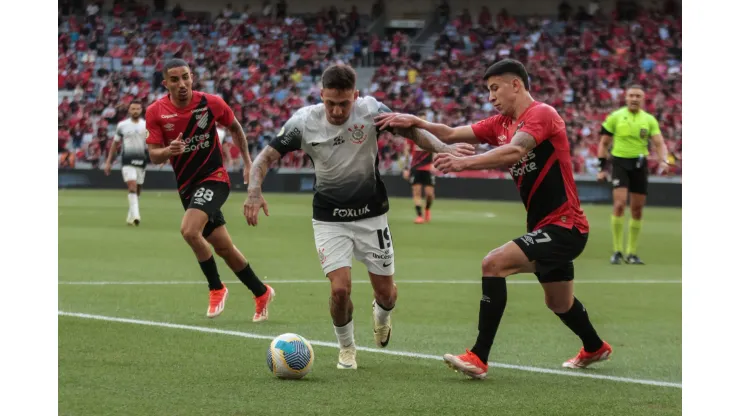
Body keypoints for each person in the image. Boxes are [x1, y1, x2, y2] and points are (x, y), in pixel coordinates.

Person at [375, 59, 612, 379]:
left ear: (516, 85)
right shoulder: (500, 123)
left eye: (495, 88)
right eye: (488, 90)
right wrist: (416, 121)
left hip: (566, 225)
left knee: (493, 263)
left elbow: (514, 153)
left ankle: (478, 356)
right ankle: (595, 346)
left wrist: (464, 164)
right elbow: (451, 132)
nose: (491, 96)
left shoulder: (541, 114)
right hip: (545, 227)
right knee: (559, 302)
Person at [245, 64, 474, 370]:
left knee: (387, 295)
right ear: (321, 96)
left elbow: (411, 131)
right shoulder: (303, 122)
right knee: (340, 289)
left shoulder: (371, 111)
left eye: (344, 103)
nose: (337, 111)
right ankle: (347, 348)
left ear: (355, 96)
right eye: (330, 103)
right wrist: (253, 191)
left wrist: (444, 147)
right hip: (329, 219)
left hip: (372, 216)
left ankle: (382, 314)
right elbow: (264, 157)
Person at [145, 58, 274, 321]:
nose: (182, 84)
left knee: (189, 231)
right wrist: (169, 151)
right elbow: (154, 156)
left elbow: (235, 127)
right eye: (175, 79)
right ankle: (261, 292)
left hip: (214, 179)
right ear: (165, 83)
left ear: (192, 77)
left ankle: (216, 287)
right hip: (187, 188)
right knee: (224, 247)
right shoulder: (156, 112)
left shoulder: (211, 103)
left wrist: (249, 163)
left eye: (185, 77)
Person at [597, 85, 670, 265]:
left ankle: (632, 252)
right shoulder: (615, 117)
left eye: (638, 95)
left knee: (637, 209)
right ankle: (617, 250)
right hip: (620, 163)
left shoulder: (649, 119)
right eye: (631, 95)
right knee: (620, 204)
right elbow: (604, 143)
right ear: (626, 97)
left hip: (639, 165)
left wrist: (664, 160)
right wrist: (601, 168)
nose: (634, 98)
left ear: (643, 99)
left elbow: (659, 143)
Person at [105, 101, 148, 225]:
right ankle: (136, 216)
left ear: (141, 110)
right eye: (133, 108)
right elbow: (115, 144)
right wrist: (109, 162)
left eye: (137, 108)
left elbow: (152, 142)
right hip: (127, 160)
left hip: (141, 160)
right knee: (132, 186)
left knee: (138, 189)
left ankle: (131, 215)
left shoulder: (146, 125)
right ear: (129, 110)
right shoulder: (122, 125)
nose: (135, 111)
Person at [402, 113, 436, 224]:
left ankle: (427, 209)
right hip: (415, 167)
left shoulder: (431, 135)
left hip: (428, 167)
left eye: (424, 121)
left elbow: (436, 149)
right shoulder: (411, 136)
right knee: (416, 192)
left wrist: (435, 164)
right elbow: (407, 153)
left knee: (429, 194)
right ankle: (419, 216)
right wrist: (406, 168)